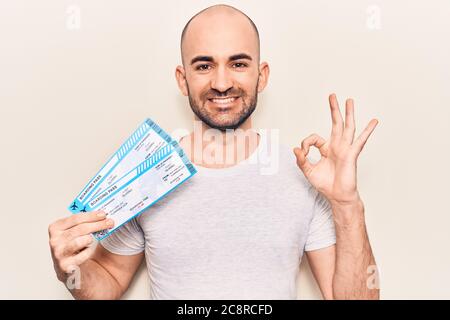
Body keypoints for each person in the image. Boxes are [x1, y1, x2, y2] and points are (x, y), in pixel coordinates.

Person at [48, 4, 379, 300]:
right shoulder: (149, 176)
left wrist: (348, 205)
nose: (222, 83)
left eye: (237, 63)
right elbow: (107, 282)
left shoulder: (305, 177)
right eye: (204, 66)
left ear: (261, 76)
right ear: (183, 79)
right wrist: (70, 273)